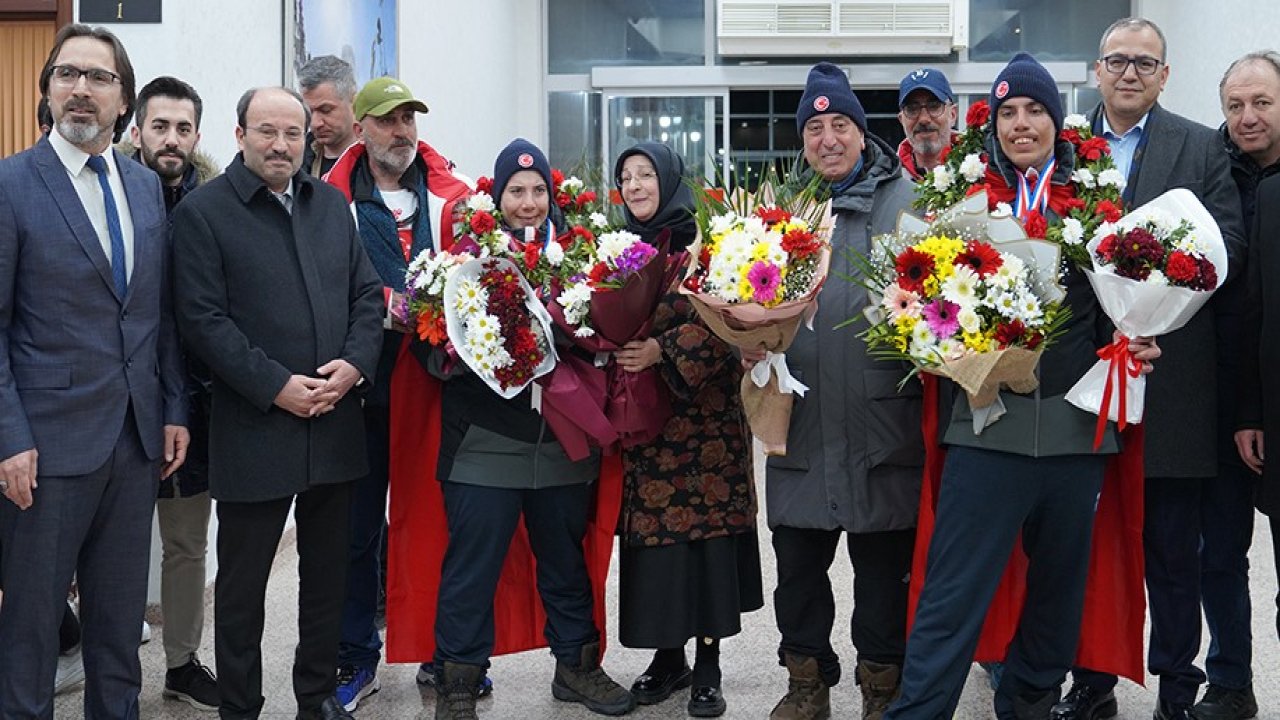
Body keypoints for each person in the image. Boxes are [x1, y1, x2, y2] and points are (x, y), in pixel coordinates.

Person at [885, 53, 1162, 720]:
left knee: (1059, 600)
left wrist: (1140, 339)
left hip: (1075, 437)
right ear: (993, 126)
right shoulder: (961, 202)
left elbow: (1121, 311)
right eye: (1008, 112)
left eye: (1035, 109)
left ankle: (1028, 704)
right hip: (985, 432)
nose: (1021, 123)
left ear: (1056, 122)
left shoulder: (1097, 207)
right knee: (952, 596)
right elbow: (924, 307)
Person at [1055, 18, 1248, 720]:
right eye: (1117, 61)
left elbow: (1227, 243)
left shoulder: (1201, 145)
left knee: (1172, 551)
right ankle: (1092, 682)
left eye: (1145, 62)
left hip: (1174, 381)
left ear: (1165, 75)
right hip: (1082, 381)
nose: (1129, 73)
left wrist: (1161, 297)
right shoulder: (1062, 147)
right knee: (1087, 547)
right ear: (1097, 71)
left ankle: (1176, 686)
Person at [170, 86, 384, 720]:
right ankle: (240, 706)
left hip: (334, 423)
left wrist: (355, 365)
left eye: (293, 133)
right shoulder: (205, 213)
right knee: (242, 590)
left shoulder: (330, 205)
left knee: (326, 580)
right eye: (267, 131)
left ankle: (315, 697)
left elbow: (366, 295)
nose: (281, 145)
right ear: (239, 135)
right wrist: (275, 386)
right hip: (255, 428)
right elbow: (203, 321)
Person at [0, 22, 189, 718]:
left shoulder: (143, 187)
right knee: (30, 635)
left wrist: (173, 409)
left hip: (134, 447)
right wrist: (9, 438)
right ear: (48, 90)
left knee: (118, 635)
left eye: (99, 77)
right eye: (68, 74)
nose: (82, 89)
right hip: (44, 452)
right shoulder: (10, 185)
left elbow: (157, 314)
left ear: (123, 100)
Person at [427, 139, 634, 720]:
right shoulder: (466, 262)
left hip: (563, 442)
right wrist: (479, 348)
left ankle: (577, 666)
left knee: (566, 562)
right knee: (472, 568)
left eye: (539, 190)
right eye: (516, 191)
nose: (529, 202)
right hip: (483, 445)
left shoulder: (581, 257)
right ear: (497, 197)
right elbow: (434, 350)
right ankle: (458, 682)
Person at [764, 62, 921, 720]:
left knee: (883, 571)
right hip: (802, 420)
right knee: (798, 569)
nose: (827, 139)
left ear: (862, 131)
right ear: (803, 140)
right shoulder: (780, 211)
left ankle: (881, 689)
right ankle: (807, 683)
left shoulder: (907, 201)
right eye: (814, 128)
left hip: (883, 422)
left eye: (840, 126)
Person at [322, 75, 472, 712]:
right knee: (356, 534)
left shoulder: (452, 197)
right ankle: (356, 655)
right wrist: (388, 306)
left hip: (437, 386)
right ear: (360, 129)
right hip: (361, 389)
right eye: (387, 119)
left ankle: (444, 652)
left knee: (437, 524)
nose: (401, 130)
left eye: (408, 118)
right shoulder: (329, 201)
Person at [611, 141, 763, 719]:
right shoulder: (617, 250)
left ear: (669, 179)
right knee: (658, 548)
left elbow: (734, 319)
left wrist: (662, 350)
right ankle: (667, 657)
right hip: (647, 430)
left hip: (707, 429)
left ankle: (708, 666)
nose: (635, 186)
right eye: (626, 177)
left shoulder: (708, 244)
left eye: (646, 174)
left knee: (705, 547)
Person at [122, 74, 221, 711]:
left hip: (196, 406)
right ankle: (110, 663)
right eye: (160, 126)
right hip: (122, 404)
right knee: (115, 544)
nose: (171, 139)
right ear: (137, 130)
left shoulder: (211, 205)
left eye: (183, 128)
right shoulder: (108, 197)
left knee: (186, 543)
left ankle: (182, 664)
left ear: (197, 136)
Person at [1210, 50, 1280, 720]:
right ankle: (1231, 683)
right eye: (1235, 106)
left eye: (1262, 103)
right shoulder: (1214, 171)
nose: (1248, 117)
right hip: (1226, 395)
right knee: (1221, 555)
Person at [298, 55, 359, 177]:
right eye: (308, 112)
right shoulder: (297, 160)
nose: (315, 123)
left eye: (325, 110)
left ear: (353, 101)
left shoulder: (379, 158)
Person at [896, 67, 959, 180]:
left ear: (953, 115)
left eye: (934, 106)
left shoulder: (984, 171)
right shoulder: (889, 179)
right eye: (912, 109)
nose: (924, 119)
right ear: (901, 120)